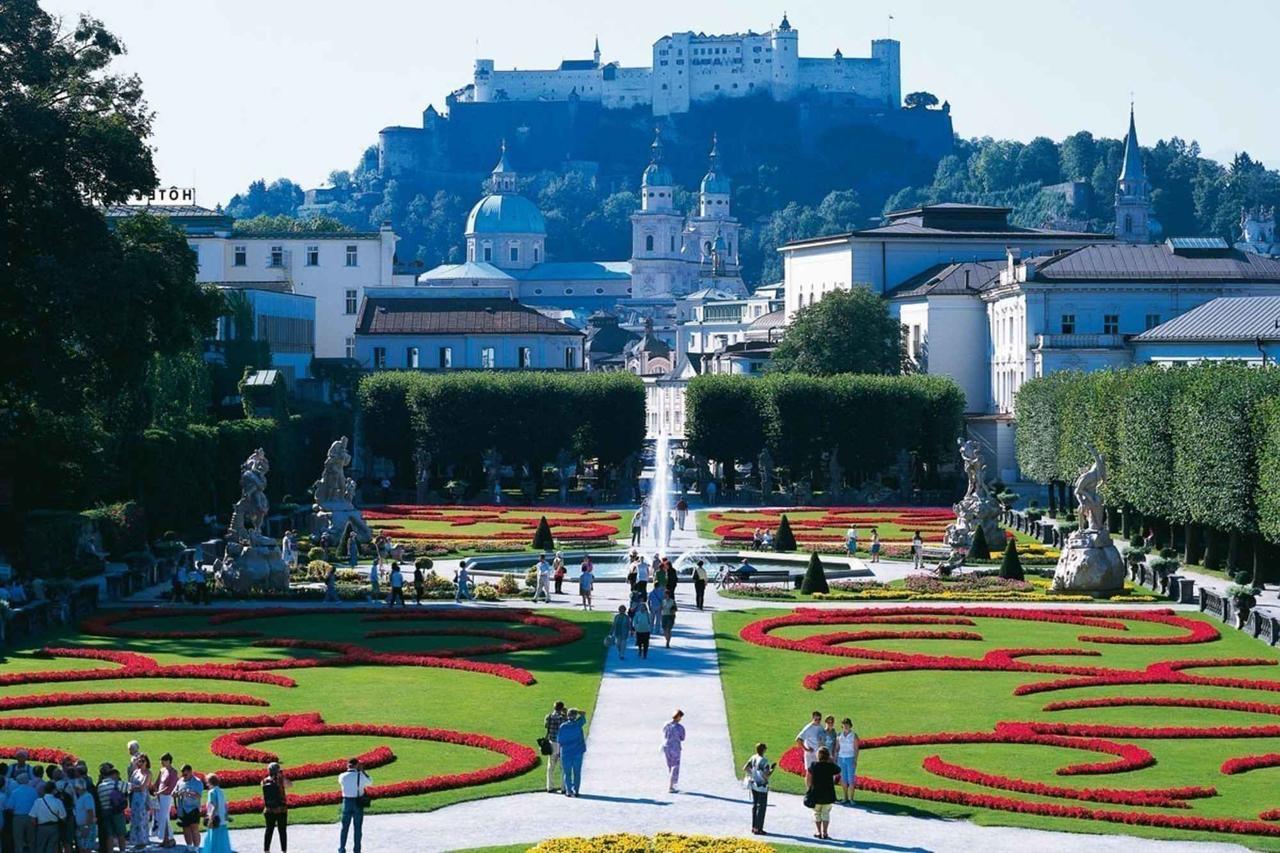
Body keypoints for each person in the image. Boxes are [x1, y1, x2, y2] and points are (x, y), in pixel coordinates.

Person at [806, 747, 840, 840]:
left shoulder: (814, 765)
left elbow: (808, 778)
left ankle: (818, 832)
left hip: (816, 794)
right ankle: (825, 832)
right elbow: (838, 770)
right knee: (826, 814)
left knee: (817, 813)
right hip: (828, 794)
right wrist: (832, 761)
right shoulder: (830, 766)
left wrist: (809, 789)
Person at [337, 758, 369, 853]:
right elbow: (370, 781)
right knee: (358, 828)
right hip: (357, 802)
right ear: (357, 765)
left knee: (344, 827)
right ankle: (357, 850)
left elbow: (341, 782)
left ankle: (342, 849)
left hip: (347, 801)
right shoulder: (360, 776)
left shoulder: (342, 776)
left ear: (348, 765)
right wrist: (362, 771)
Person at [743, 743, 774, 836]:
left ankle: (754, 827)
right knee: (761, 808)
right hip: (762, 786)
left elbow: (745, 768)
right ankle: (759, 828)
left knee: (755, 805)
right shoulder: (764, 761)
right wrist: (772, 769)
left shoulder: (753, 757)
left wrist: (752, 774)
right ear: (763, 750)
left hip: (754, 784)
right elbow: (767, 775)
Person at [556, 709, 587, 797]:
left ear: (568, 716)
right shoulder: (578, 724)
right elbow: (583, 714)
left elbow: (559, 741)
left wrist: (559, 753)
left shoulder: (563, 726)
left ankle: (569, 791)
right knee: (577, 772)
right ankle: (576, 790)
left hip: (566, 753)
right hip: (577, 752)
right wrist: (578, 712)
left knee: (567, 773)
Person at [30, 781, 66, 853]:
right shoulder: (58, 802)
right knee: (52, 847)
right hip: (54, 827)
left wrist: (36, 827)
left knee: (40, 847)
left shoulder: (38, 802)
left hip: (41, 827)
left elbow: (33, 818)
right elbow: (63, 817)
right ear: (54, 790)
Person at [261, 762, 289, 853]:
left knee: (269, 830)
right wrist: (282, 776)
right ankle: (283, 850)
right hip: (281, 809)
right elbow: (290, 785)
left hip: (269, 810)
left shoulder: (264, 781)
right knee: (282, 831)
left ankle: (266, 850)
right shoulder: (281, 780)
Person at [174, 764, 203, 849]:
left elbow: (199, 796)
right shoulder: (180, 781)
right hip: (183, 809)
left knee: (194, 830)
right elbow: (173, 793)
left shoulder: (197, 782)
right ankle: (189, 847)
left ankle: (196, 848)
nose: (183, 776)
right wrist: (177, 793)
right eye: (182, 774)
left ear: (190, 772)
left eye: (185, 774)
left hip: (193, 809)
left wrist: (188, 793)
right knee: (185, 829)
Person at [200, 773, 230, 853]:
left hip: (215, 819)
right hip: (222, 818)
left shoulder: (212, 792)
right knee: (222, 839)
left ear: (209, 782)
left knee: (212, 838)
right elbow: (225, 804)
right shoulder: (220, 791)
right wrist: (226, 815)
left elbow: (214, 806)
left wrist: (211, 818)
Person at [128, 753, 152, 847]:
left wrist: (134, 787)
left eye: (143, 761)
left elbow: (143, 787)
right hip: (135, 798)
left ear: (146, 762)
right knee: (134, 819)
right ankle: (135, 841)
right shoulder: (135, 772)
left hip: (143, 798)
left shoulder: (148, 773)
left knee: (142, 820)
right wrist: (134, 787)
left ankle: (142, 841)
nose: (141, 762)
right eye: (139, 761)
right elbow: (130, 785)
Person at [155, 752, 178, 848]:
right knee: (162, 818)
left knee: (164, 817)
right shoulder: (162, 770)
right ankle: (166, 839)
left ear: (168, 761)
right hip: (160, 795)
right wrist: (154, 789)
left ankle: (170, 839)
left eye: (163, 761)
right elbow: (158, 782)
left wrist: (160, 792)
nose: (162, 763)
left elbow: (171, 786)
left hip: (167, 797)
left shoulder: (173, 772)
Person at [543, 702, 567, 793]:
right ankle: (563, 787)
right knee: (563, 766)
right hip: (561, 744)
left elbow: (546, 726)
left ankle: (549, 786)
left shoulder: (549, 716)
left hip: (552, 743)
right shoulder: (563, 717)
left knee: (551, 766)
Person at [662, 710, 686, 793]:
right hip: (675, 747)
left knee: (669, 765)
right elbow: (682, 738)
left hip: (666, 746)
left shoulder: (666, 724)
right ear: (678, 717)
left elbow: (663, 733)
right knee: (675, 766)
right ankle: (671, 786)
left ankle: (671, 783)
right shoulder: (680, 727)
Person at [836, 718, 859, 804]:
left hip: (850, 758)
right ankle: (845, 797)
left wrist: (855, 760)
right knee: (843, 779)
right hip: (841, 758)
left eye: (847, 724)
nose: (845, 726)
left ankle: (851, 799)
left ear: (850, 725)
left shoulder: (854, 735)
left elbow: (856, 749)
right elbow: (837, 748)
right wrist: (836, 758)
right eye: (844, 724)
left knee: (851, 779)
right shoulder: (839, 735)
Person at [73, 778, 96, 853]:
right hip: (81, 827)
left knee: (86, 849)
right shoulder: (80, 797)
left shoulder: (87, 797)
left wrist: (87, 827)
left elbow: (90, 812)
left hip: (86, 827)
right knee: (82, 849)